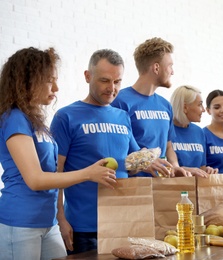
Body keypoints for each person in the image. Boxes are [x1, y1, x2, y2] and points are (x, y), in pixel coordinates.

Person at [0, 47, 116, 260]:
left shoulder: (35, 122)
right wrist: (87, 173)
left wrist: (59, 216)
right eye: (49, 80)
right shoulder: (14, 119)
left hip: (47, 221)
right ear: (27, 81)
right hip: (21, 222)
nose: (56, 87)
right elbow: (35, 179)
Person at [50, 49, 168, 255]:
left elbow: (131, 164)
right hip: (82, 227)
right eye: (105, 80)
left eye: (117, 82)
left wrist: (151, 163)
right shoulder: (66, 117)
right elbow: (56, 174)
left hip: (122, 221)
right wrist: (60, 219)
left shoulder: (122, 116)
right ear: (87, 76)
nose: (111, 89)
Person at [111, 37, 187, 177]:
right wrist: (143, 163)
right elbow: (115, 149)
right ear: (156, 68)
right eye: (170, 66)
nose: (172, 72)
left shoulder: (165, 106)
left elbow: (168, 145)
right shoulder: (119, 102)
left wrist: (175, 167)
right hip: (132, 188)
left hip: (161, 186)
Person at [170, 85, 218, 177]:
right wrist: (187, 170)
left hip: (196, 189)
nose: (203, 110)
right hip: (172, 189)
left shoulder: (199, 132)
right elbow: (163, 167)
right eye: (200, 104)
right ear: (185, 107)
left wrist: (207, 170)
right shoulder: (165, 130)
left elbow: (201, 167)